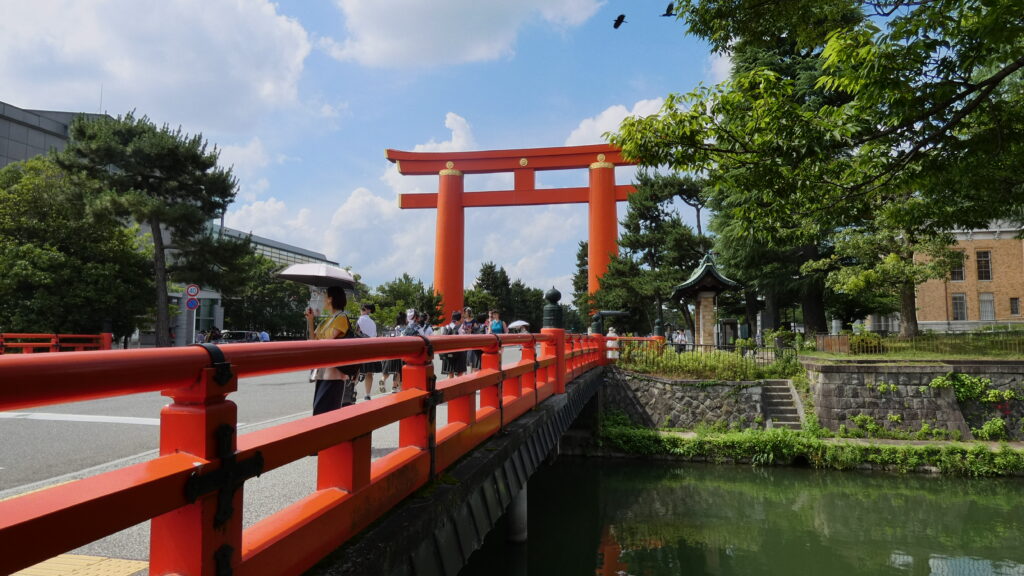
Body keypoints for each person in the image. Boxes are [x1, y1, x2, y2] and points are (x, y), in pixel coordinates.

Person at [305, 285, 356, 415]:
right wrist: (310, 321)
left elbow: (329, 343)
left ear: (330, 299)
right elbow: (313, 340)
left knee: (325, 412)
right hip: (322, 371)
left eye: (324, 295)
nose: (322, 298)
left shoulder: (341, 317)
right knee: (319, 411)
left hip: (334, 373)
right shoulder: (327, 320)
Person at [357, 303, 380, 401]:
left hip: (359, 348)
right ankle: (367, 394)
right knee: (369, 373)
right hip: (371, 348)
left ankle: (351, 391)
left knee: (356, 371)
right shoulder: (373, 322)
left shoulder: (359, 320)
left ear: (364, 309)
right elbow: (375, 336)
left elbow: (355, 333)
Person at [380, 310, 407, 394]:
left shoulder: (393, 328)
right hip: (400, 352)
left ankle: (383, 380)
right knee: (398, 371)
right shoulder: (405, 329)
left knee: (388, 371)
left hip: (391, 351)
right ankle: (395, 388)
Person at [440, 310, 466, 378]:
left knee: (450, 374)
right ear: (459, 318)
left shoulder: (446, 327)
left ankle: (450, 387)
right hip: (459, 353)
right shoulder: (461, 327)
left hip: (448, 353)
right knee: (459, 374)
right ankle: (458, 388)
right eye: (462, 317)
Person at [462, 306, 480, 374]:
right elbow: (461, 329)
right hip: (465, 339)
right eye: (465, 312)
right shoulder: (463, 321)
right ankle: (465, 373)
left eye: (466, 312)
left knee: (471, 357)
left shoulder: (474, 320)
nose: (466, 313)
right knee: (465, 357)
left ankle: (472, 372)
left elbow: (476, 329)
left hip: (471, 339)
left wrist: (471, 330)